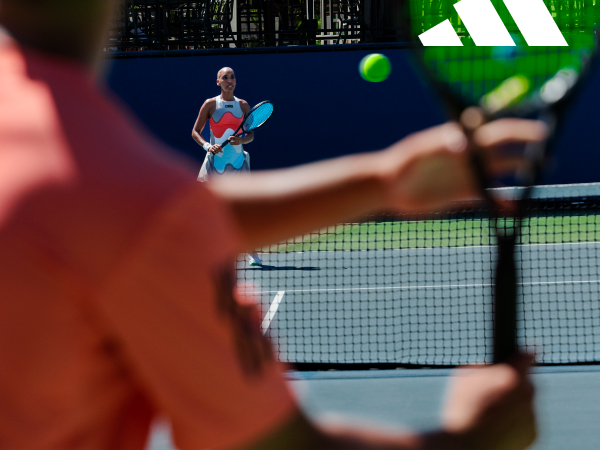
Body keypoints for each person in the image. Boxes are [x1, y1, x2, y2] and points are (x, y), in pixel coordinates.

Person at [0, 0, 546, 449]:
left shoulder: (101, 192)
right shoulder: (127, 202)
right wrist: (468, 438)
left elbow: (145, 225)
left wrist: (382, 181)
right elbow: (282, 445)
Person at [192, 66, 262, 266]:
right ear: (218, 82)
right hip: (215, 163)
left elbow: (250, 135)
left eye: (232, 77)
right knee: (206, 208)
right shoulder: (210, 104)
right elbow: (195, 131)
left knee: (243, 209)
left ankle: (251, 252)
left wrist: (241, 141)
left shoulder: (243, 105)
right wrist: (207, 145)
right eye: (225, 78)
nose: (229, 80)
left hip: (239, 163)